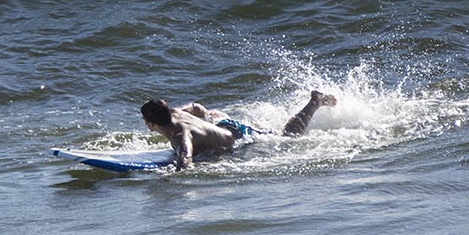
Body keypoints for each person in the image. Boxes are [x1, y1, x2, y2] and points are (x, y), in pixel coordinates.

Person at [141, 90, 337, 171]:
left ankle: (315, 102)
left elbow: (185, 155)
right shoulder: (175, 112)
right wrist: (208, 116)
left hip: (238, 137)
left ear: (150, 123)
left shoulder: (178, 134)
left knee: (286, 136)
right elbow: (195, 106)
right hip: (223, 125)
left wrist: (174, 174)